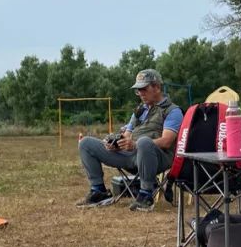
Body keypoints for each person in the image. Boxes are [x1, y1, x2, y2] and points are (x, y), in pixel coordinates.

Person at [77, 68, 183, 211]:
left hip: (155, 158)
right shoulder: (139, 110)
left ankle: (146, 195)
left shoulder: (172, 111)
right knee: (86, 143)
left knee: (144, 142)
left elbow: (166, 141)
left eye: (144, 89)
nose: (140, 94)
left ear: (157, 87)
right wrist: (116, 144)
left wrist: (135, 144)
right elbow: (127, 135)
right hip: (130, 155)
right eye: (138, 90)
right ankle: (99, 191)